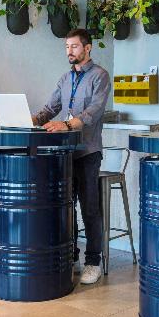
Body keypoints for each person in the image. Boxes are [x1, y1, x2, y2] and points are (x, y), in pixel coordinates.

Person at [33, 28, 111, 285]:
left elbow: (93, 113)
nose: (69, 51)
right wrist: (29, 120)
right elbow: (50, 109)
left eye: (74, 46)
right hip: (65, 153)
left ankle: (93, 262)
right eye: (67, 47)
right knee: (67, 207)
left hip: (88, 151)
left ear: (87, 48)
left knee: (89, 209)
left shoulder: (100, 76)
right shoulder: (65, 79)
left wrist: (65, 125)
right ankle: (72, 255)